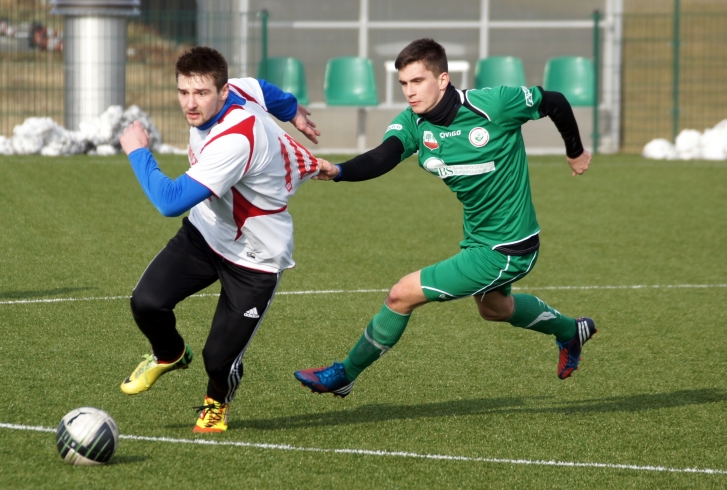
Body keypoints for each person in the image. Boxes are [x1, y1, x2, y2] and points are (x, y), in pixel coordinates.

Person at [294, 38, 595, 398]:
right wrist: (340, 170)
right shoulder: (413, 123)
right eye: (403, 83)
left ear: (442, 80)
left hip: (507, 247)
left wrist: (575, 152)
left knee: (401, 295)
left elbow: (554, 101)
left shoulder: (492, 105)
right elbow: (384, 155)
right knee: (496, 309)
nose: (409, 92)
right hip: (479, 238)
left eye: (417, 81)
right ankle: (570, 331)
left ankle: (345, 374)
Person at [118, 46, 320, 432]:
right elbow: (263, 89)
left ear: (222, 92)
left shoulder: (235, 139)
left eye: (201, 94)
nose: (191, 104)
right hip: (206, 233)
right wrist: (292, 109)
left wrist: (138, 152)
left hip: (254, 258)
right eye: (183, 93)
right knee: (146, 303)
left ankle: (216, 403)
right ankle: (170, 353)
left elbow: (170, 201)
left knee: (218, 359)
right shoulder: (237, 89)